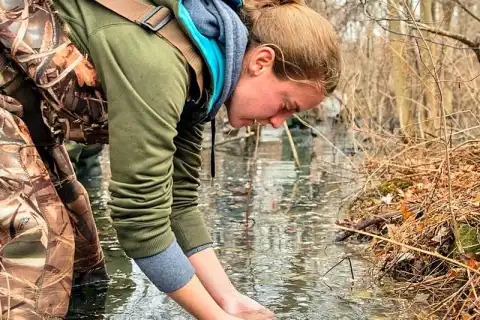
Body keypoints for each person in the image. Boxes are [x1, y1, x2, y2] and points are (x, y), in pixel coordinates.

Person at [0, 0, 341, 318]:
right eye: (287, 105)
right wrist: (214, 317)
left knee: (81, 259)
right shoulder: (164, 64)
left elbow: (179, 204)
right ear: (261, 61)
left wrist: (229, 300)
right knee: (34, 249)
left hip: (22, 115)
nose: (279, 123)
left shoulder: (205, 78)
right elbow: (140, 221)